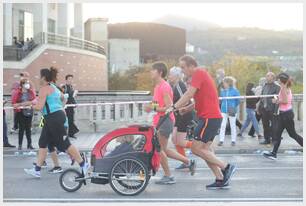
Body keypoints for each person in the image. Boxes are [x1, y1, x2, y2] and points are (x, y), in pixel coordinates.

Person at [172, 55, 236, 189]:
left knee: (196, 149)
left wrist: (174, 107)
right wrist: (187, 109)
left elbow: (188, 94)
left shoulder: (199, 73)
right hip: (210, 117)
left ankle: (227, 167)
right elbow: (199, 99)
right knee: (205, 150)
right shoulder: (198, 75)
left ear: (191, 66)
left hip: (209, 118)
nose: (182, 70)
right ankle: (220, 178)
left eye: (183, 67)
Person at [15, 67, 89, 178]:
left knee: (64, 144)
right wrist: (60, 107)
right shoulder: (54, 87)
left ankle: (83, 164)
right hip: (54, 117)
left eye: (40, 76)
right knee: (43, 142)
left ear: (44, 77)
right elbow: (64, 98)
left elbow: (39, 107)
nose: (39, 79)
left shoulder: (44, 89)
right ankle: (37, 170)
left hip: (53, 118)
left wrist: (29, 106)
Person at [144, 62, 196, 185]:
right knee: (164, 149)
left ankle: (169, 176)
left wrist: (153, 108)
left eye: (153, 70)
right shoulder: (157, 86)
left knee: (159, 150)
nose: (151, 72)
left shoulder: (164, 86)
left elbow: (168, 108)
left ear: (160, 72)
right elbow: (158, 104)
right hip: (160, 121)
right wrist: (151, 106)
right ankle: (188, 162)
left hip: (166, 121)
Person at [263, 73, 303, 160]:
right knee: (277, 134)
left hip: (286, 115)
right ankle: (273, 153)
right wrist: (278, 100)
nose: (277, 81)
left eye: (278, 80)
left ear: (281, 81)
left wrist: (276, 101)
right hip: (283, 114)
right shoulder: (284, 87)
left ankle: (274, 153)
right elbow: (286, 100)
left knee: (292, 134)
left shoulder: (284, 88)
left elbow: (285, 101)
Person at [168, 66, 194, 170]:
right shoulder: (174, 85)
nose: (169, 76)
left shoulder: (179, 86)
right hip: (178, 116)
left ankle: (200, 147)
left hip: (184, 116)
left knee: (180, 141)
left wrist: (175, 108)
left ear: (176, 76)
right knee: (175, 140)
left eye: (170, 74)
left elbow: (186, 101)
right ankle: (185, 161)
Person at [12, 79, 36, 150]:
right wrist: (21, 104)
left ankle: (29, 144)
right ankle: (20, 145)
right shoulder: (17, 93)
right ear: (22, 85)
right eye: (26, 83)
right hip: (20, 112)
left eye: (28, 83)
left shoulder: (31, 92)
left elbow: (35, 100)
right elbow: (14, 103)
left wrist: (29, 103)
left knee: (28, 129)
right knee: (21, 129)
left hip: (29, 112)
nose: (28, 84)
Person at [258, 72, 280, 145]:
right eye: (267, 76)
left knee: (274, 126)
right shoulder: (264, 86)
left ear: (273, 78)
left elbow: (278, 99)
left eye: (269, 76)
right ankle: (266, 139)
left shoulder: (277, 87)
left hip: (272, 109)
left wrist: (276, 110)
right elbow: (262, 97)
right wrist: (258, 108)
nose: (267, 78)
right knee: (265, 125)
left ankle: (274, 140)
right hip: (264, 109)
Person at [218, 77, 240, 146]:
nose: (223, 84)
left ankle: (233, 140)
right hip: (223, 110)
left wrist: (233, 106)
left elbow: (238, 100)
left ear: (228, 83)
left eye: (224, 82)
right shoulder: (222, 91)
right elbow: (221, 100)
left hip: (231, 109)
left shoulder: (235, 91)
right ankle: (221, 140)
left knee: (232, 125)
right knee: (222, 125)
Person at [63, 74, 79, 138]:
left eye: (71, 79)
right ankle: (65, 134)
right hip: (65, 106)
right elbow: (64, 95)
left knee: (71, 120)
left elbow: (72, 97)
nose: (70, 80)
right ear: (66, 79)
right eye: (69, 79)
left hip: (71, 106)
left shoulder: (71, 87)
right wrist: (73, 93)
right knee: (65, 120)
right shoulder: (64, 87)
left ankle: (71, 133)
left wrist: (75, 103)